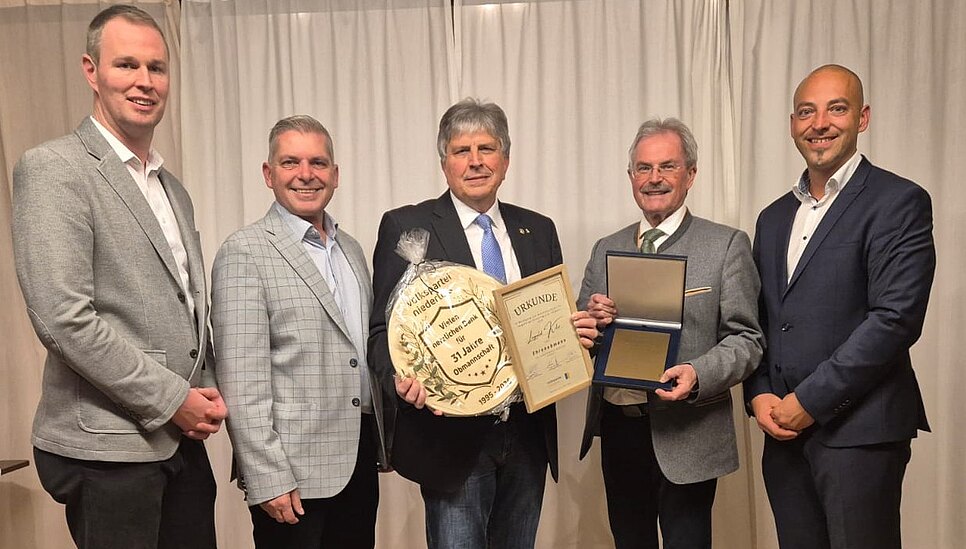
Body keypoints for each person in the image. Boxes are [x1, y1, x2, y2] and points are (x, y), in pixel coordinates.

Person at [10, 5, 226, 548]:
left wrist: (204, 388)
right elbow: (64, 320)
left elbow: (182, 306)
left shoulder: (173, 189)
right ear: (91, 71)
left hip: (179, 445)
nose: (144, 81)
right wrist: (174, 399)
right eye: (127, 64)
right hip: (106, 450)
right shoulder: (54, 168)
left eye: (157, 67)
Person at [367, 98, 596, 549]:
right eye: (461, 151)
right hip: (451, 438)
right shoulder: (407, 227)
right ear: (444, 163)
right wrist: (400, 378)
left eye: (487, 149)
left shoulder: (539, 229)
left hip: (527, 433)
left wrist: (577, 335)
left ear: (505, 160)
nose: (475, 162)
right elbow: (380, 334)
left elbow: (552, 323)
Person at [744, 64, 936, 549]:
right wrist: (759, 393)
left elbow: (894, 321)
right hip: (782, 435)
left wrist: (808, 402)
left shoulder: (898, 201)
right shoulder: (772, 218)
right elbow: (760, 319)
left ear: (862, 118)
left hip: (860, 434)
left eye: (836, 109)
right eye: (806, 112)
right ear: (792, 124)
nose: (820, 124)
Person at [578, 118, 763, 549]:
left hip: (688, 432)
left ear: (691, 174)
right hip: (619, 430)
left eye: (667, 166)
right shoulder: (605, 247)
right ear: (631, 177)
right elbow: (583, 339)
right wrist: (592, 325)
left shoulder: (726, 245)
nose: (654, 178)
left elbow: (747, 339)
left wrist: (698, 374)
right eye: (643, 168)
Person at [211, 115, 388, 549]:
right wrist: (267, 477)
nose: (306, 174)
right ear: (268, 173)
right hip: (291, 474)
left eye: (318, 163)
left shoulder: (351, 250)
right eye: (291, 162)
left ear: (335, 175)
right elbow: (241, 380)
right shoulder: (244, 252)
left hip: (358, 460)